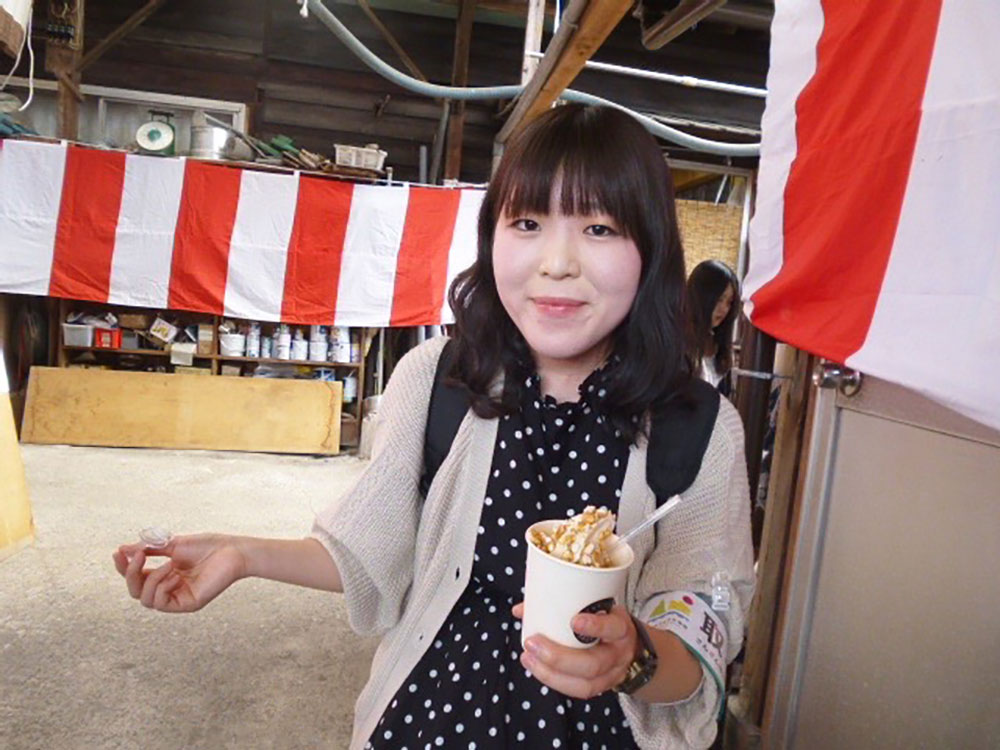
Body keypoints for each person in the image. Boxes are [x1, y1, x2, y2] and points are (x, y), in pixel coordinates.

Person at [113, 104, 753, 750]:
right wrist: (242, 554)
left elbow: (703, 633)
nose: (557, 262)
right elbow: (369, 546)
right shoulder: (438, 379)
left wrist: (632, 658)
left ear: (650, 249)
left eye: (599, 228)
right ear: (492, 236)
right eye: (528, 223)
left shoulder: (700, 428)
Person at [687, 260, 740, 395]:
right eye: (719, 300)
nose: (724, 309)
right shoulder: (677, 340)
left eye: (729, 302)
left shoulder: (720, 344)